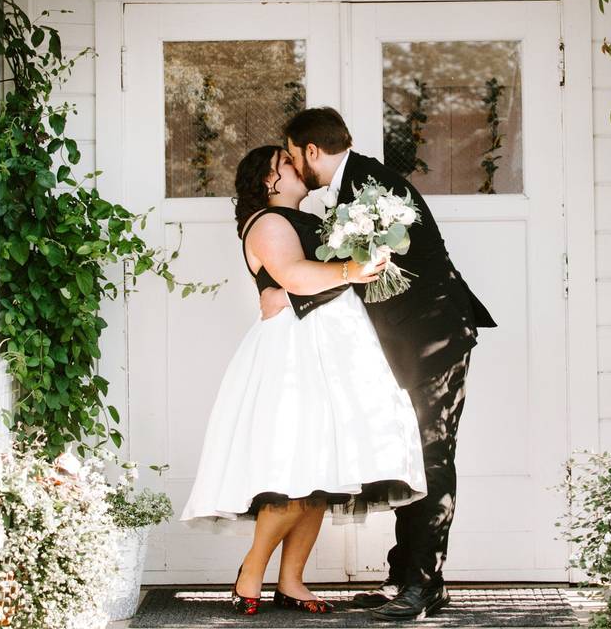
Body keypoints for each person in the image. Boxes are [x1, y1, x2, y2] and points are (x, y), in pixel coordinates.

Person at [260, 107, 497, 621]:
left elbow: (370, 271)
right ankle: (403, 576)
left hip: (433, 339)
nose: (295, 166)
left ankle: (425, 585)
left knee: (432, 459)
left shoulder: (373, 188)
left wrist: (299, 289)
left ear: (311, 150)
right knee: (410, 456)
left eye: (293, 153)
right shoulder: (355, 185)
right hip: (403, 344)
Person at [180, 145, 427, 616]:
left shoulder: (314, 219)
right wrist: (353, 270)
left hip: (337, 347)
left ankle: (292, 581)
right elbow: (293, 276)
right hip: (295, 352)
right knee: (291, 473)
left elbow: (315, 278)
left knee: (321, 476)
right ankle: (251, 570)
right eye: (287, 164)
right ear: (268, 180)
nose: (298, 167)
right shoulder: (268, 222)